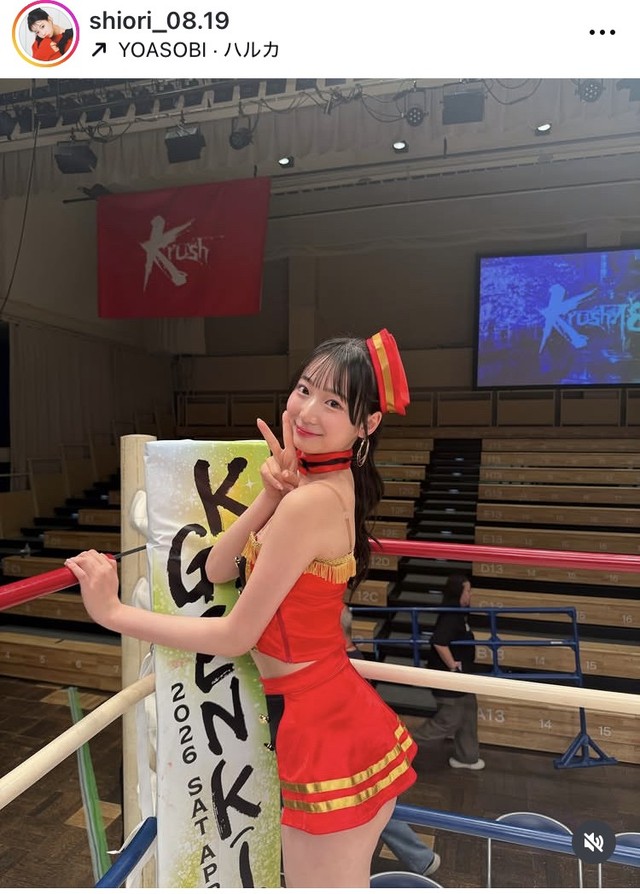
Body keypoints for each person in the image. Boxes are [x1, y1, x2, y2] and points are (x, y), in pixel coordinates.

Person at [65, 329, 417, 888]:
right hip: (327, 714)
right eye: (305, 389)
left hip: (323, 727)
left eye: (334, 403)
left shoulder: (312, 501)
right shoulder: (319, 486)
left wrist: (112, 614)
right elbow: (217, 569)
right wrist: (269, 495)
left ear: (367, 424)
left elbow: (236, 635)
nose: (306, 411)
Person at [341, 606, 441, 878]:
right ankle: (421, 858)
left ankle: (420, 858)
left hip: (351, 748)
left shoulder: (346, 663)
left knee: (373, 805)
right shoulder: (356, 658)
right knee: (375, 805)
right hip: (356, 745)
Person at [413, 573, 485, 770]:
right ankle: (400, 750)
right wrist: (453, 665)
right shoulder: (451, 616)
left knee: (468, 714)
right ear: (458, 592)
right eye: (468, 590)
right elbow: (439, 641)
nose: (470, 594)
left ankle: (467, 757)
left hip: (463, 679)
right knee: (449, 720)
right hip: (450, 680)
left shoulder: (460, 615)